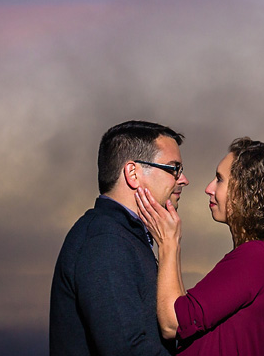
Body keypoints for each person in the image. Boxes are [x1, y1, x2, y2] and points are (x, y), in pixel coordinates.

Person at [136, 137, 264, 356]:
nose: (208, 188)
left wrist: (168, 243)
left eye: (219, 179)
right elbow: (189, 314)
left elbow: (173, 324)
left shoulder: (256, 256)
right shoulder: (258, 257)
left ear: (247, 192)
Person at [49, 120, 189, 356]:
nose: (183, 179)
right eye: (174, 168)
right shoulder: (105, 241)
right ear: (133, 173)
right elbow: (126, 348)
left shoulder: (123, 236)